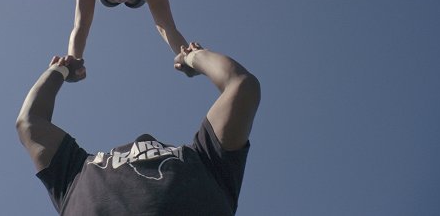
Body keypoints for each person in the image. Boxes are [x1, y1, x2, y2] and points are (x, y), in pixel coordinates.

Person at [16, 43, 261, 215]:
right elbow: (29, 123)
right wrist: (58, 70)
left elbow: (242, 87)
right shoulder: (77, 174)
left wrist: (193, 56)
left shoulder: (207, 160)